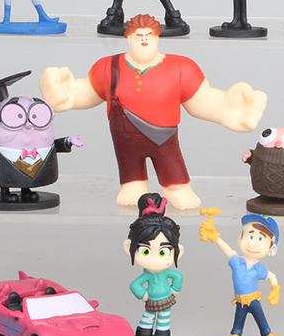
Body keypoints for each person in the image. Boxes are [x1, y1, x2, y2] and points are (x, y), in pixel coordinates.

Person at [40, 14, 267, 209]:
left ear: (158, 37)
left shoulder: (181, 67)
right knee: (129, 165)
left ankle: (176, 186)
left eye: (149, 34)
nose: (144, 39)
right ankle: (132, 184)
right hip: (125, 138)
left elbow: (202, 100)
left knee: (171, 164)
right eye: (138, 35)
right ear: (128, 38)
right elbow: (87, 92)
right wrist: (66, 94)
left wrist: (227, 109)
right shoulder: (108, 67)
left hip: (165, 137)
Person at [199, 212, 284, 336]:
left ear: (271, 249)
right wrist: (216, 238)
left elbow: (271, 276)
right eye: (250, 236)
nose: (252, 243)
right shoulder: (237, 262)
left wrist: (275, 290)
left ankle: (266, 333)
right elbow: (228, 250)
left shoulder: (259, 269)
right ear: (240, 238)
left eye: (260, 239)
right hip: (240, 300)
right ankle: (236, 334)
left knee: (260, 317)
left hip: (254, 300)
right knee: (239, 318)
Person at [124, 193, 191, 336]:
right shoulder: (147, 275)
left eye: (163, 252)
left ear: (179, 252)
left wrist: (175, 290)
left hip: (166, 298)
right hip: (152, 299)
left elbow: (178, 277)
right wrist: (144, 295)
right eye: (145, 251)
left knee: (164, 318)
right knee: (148, 316)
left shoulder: (166, 272)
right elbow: (134, 285)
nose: (154, 260)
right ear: (128, 248)